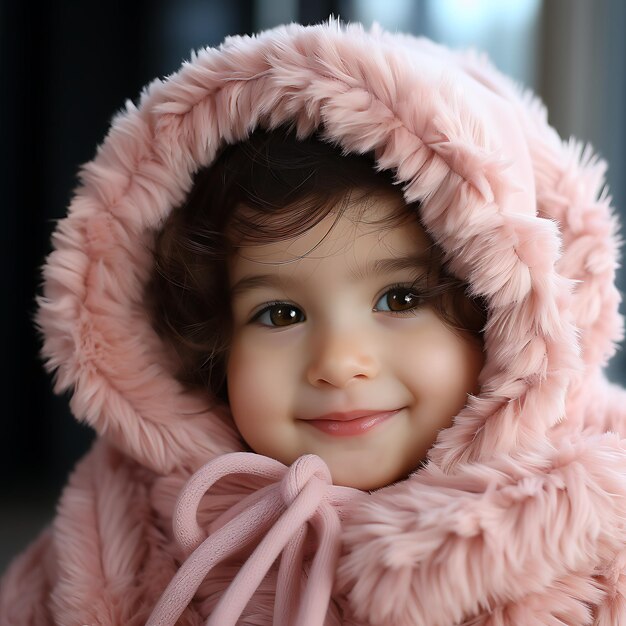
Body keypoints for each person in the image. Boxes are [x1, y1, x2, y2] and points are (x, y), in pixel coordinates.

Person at [2, 18, 626, 626]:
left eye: (402, 299)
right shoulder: (119, 525)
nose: (338, 361)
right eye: (282, 313)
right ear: (211, 339)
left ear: (508, 314)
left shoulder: (595, 525)